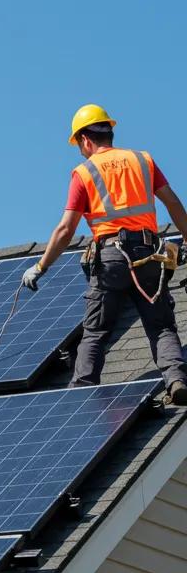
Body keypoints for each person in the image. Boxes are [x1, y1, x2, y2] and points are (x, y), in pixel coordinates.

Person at [22, 104, 187, 404]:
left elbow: (65, 229)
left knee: (96, 330)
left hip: (111, 258)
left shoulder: (84, 172)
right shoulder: (142, 160)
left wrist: (41, 266)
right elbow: (173, 203)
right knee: (161, 325)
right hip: (150, 255)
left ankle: (82, 391)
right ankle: (176, 379)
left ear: (85, 140)